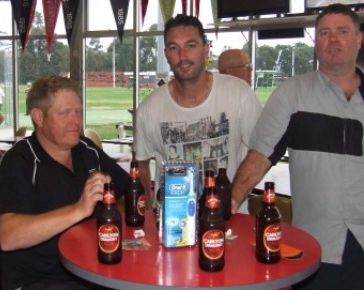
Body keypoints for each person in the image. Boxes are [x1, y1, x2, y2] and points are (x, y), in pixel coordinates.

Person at [231, 4, 364, 289]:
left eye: (342, 31)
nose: (333, 39)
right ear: (316, 43)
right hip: (318, 245)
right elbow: (261, 154)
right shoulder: (293, 94)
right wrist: (230, 202)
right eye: (325, 33)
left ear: (359, 39)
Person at [0, 75, 129, 290]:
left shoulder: (86, 150)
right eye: (65, 113)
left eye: (78, 111)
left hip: (92, 269)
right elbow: (7, 236)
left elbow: (126, 187)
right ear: (39, 117)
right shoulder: (19, 161)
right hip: (42, 281)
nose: (76, 121)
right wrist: (78, 209)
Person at [134, 14, 262, 210]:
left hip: (229, 223)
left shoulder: (239, 94)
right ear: (166, 53)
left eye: (191, 46)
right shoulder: (148, 109)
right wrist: (147, 213)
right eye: (173, 48)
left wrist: (232, 200)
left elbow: (261, 151)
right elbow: (141, 164)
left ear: (205, 50)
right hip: (172, 224)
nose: (182, 56)